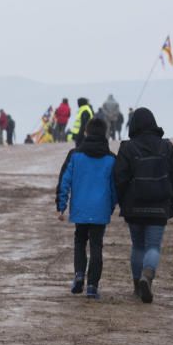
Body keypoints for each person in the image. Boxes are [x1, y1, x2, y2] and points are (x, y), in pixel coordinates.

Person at [113, 107, 173, 303]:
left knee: (137, 246)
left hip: (133, 207)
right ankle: (147, 276)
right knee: (153, 246)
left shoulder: (127, 148)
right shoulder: (167, 147)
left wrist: (123, 201)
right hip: (159, 205)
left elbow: (119, 178)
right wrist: (171, 200)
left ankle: (137, 286)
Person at [56, 117, 117, 298]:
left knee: (80, 241)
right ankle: (92, 286)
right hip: (100, 210)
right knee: (96, 245)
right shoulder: (111, 159)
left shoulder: (75, 155)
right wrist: (111, 206)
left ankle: (79, 275)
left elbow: (64, 181)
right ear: (104, 134)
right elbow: (115, 187)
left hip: (80, 209)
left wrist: (61, 206)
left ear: (86, 132)